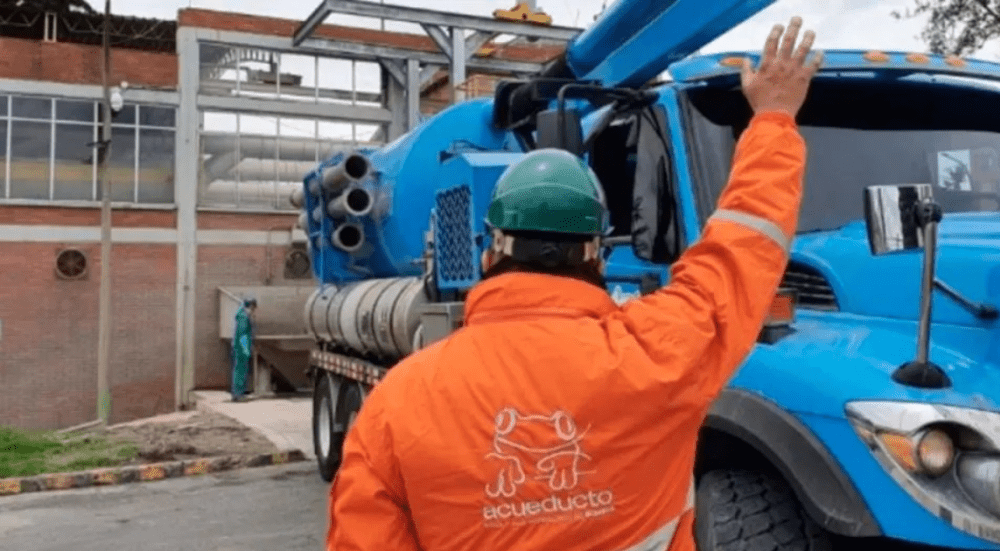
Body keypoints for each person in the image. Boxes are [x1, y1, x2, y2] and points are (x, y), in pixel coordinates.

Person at [327, 16, 822, 551]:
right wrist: (773, 119)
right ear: (598, 255)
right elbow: (742, 249)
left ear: (490, 252)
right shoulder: (663, 351)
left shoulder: (399, 404)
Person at [231, 296, 256, 403]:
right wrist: (246, 349)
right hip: (241, 347)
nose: (253, 311)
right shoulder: (243, 317)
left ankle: (237, 393)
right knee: (241, 370)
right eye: (253, 308)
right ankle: (238, 394)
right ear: (250, 306)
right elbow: (243, 334)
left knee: (239, 370)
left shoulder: (242, 315)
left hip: (239, 346)